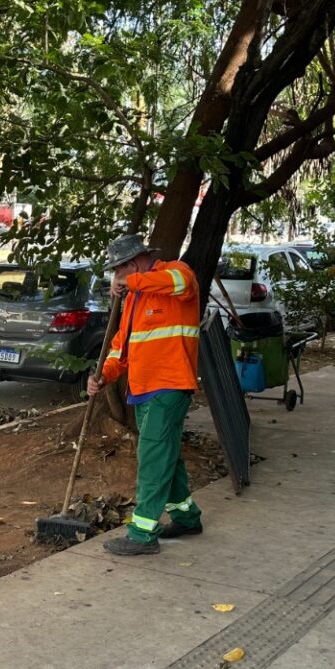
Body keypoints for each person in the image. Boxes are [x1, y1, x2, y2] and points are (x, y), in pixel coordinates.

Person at [86, 234, 203, 556]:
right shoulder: (134, 300)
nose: (116, 276)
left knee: (152, 457)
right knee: (165, 454)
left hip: (170, 385)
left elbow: (181, 283)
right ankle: (186, 517)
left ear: (134, 263)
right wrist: (103, 375)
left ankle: (142, 534)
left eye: (119, 269)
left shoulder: (175, 273)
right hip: (142, 389)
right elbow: (120, 348)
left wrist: (132, 283)